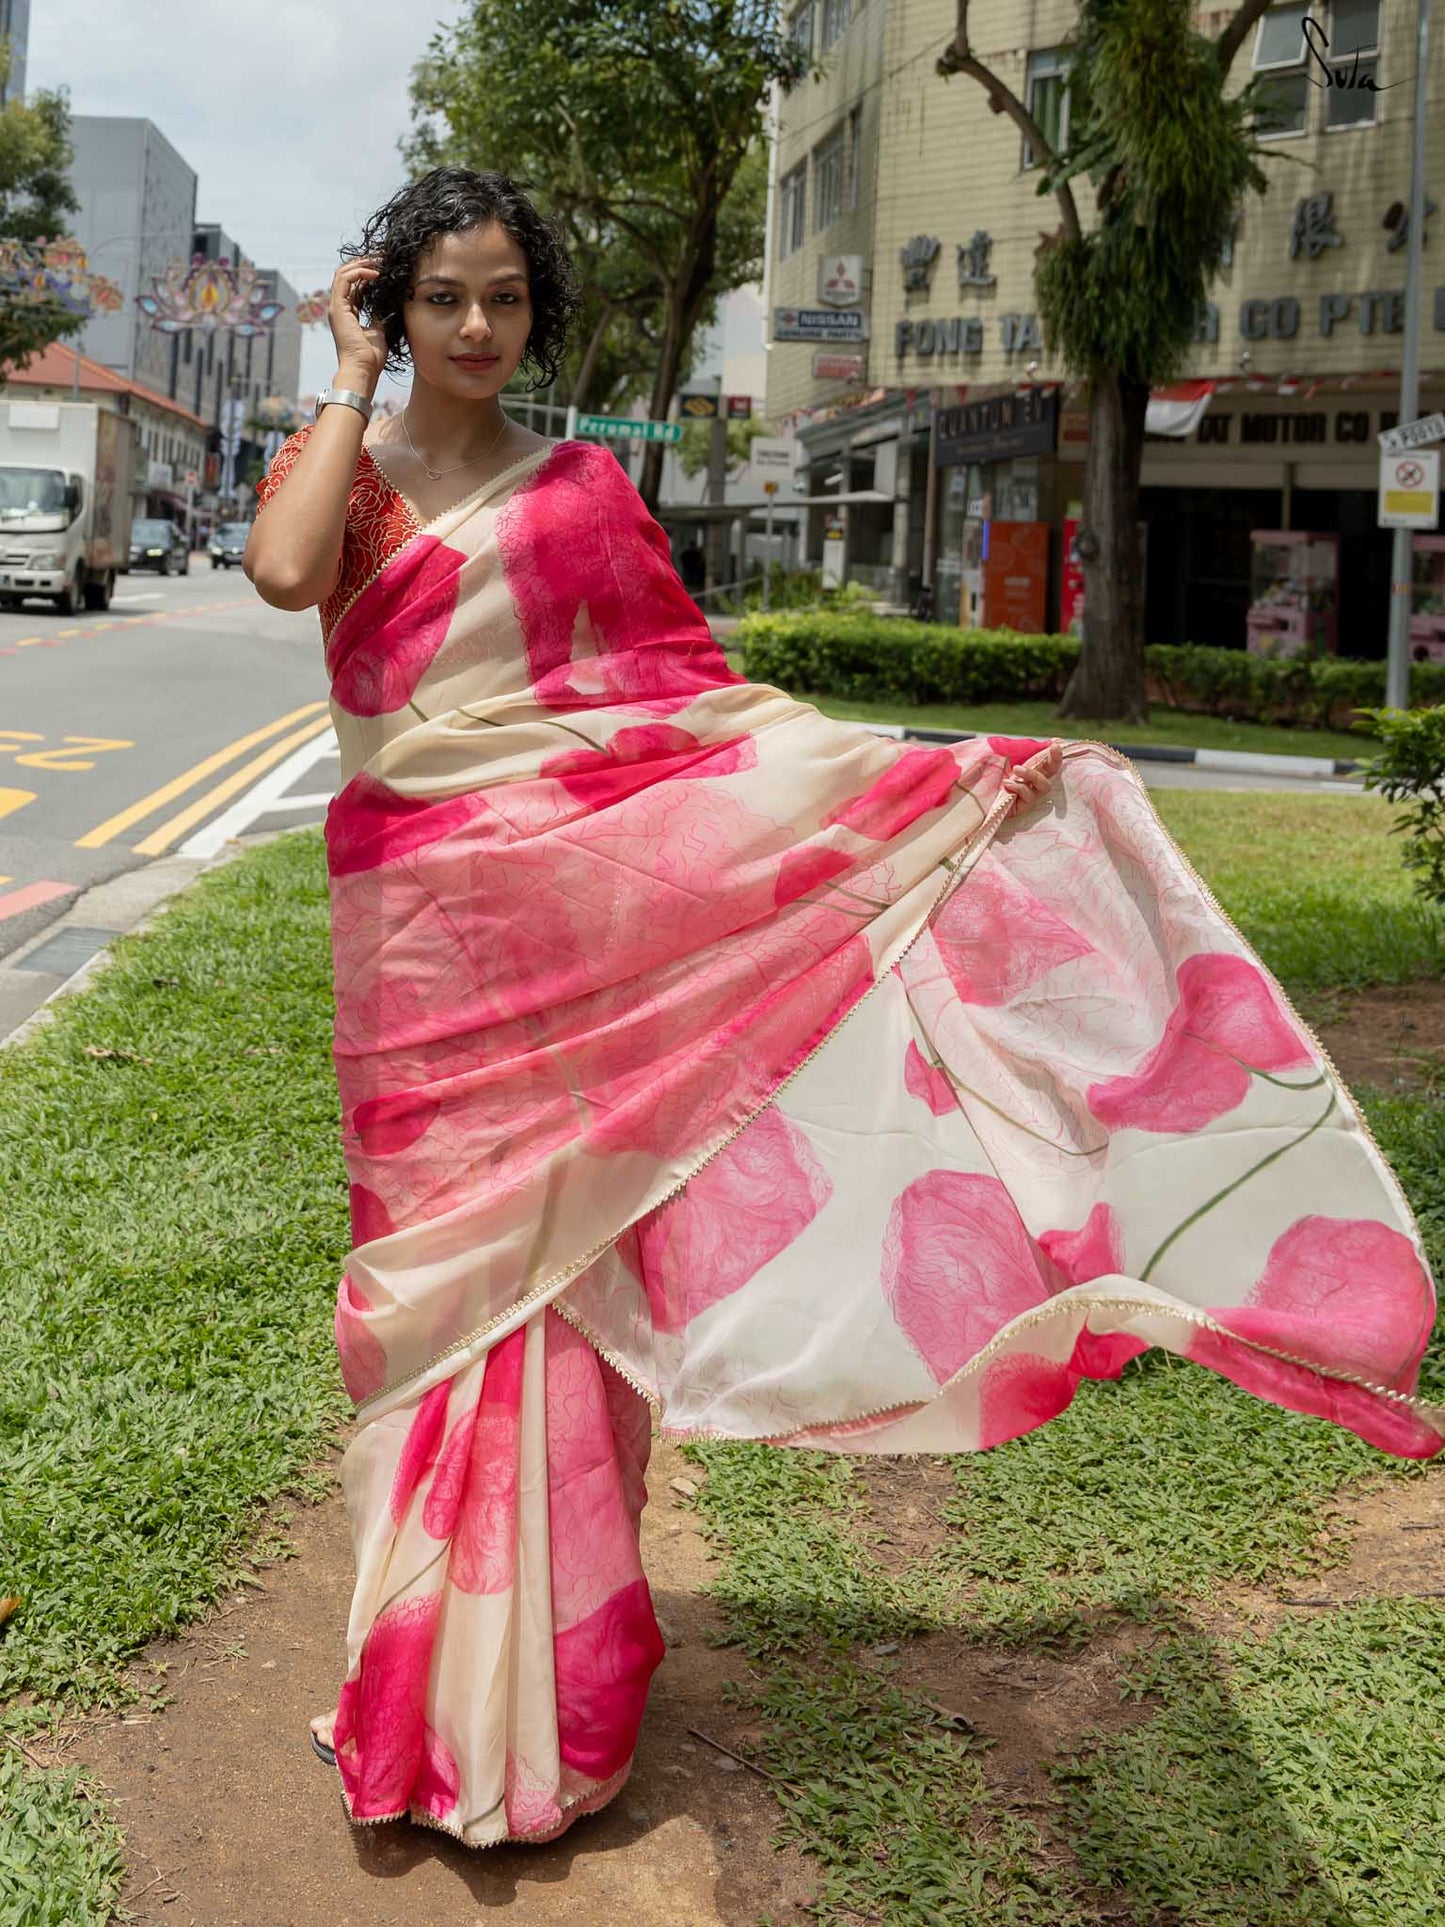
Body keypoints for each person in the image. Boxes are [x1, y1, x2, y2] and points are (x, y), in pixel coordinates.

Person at [244, 166, 1444, 1851]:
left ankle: (539, 1720)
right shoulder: (352, 471)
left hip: (580, 936)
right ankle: (415, 1673)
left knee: (565, 1287)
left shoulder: (579, 486)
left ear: (540, 310)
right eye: (440, 296)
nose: (473, 328)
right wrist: (348, 376)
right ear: (391, 303)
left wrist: (925, 783)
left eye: (505, 298)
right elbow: (285, 575)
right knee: (434, 1303)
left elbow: (688, 714)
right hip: (431, 949)